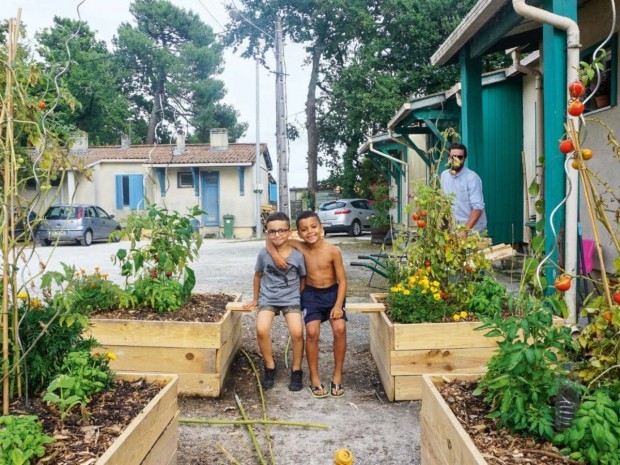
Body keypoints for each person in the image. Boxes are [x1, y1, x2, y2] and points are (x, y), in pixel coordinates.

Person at [268, 211, 348, 398]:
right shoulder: (299, 246)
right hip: (311, 295)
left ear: (321, 227)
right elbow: (270, 240)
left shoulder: (333, 251)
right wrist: (277, 257)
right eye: (304, 229)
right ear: (298, 232)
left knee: (340, 328)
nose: (310, 232)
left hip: (332, 294)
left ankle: (337, 375)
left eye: (313, 227)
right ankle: (314, 377)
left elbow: (342, 281)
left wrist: (337, 305)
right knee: (311, 332)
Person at [243, 212, 306, 391]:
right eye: (272, 232)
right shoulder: (263, 254)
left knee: (297, 331)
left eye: (281, 231)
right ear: (267, 233)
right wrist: (256, 298)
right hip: (268, 297)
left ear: (289, 232)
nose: (277, 235)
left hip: (291, 299)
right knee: (261, 329)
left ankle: (297, 370)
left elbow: (303, 278)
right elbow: (257, 276)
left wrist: (298, 296)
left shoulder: (297, 256)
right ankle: (269, 366)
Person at [440, 142, 487, 238]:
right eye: (453, 157)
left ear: (464, 159)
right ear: (449, 158)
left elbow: (478, 208)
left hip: (473, 231)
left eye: (460, 157)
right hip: (454, 230)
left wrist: (465, 230)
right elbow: (444, 202)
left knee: (473, 252)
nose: (456, 160)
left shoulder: (472, 178)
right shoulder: (444, 176)